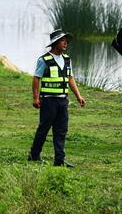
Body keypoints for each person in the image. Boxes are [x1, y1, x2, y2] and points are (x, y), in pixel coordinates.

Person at [28, 29, 86, 167]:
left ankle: (59, 160)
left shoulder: (67, 59)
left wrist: (78, 96)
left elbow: (70, 78)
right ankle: (34, 155)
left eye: (66, 40)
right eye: (62, 40)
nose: (65, 43)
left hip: (62, 101)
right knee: (44, 129)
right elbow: (37, 78)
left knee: (61, 130)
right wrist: (36, 98)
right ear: (55, 43)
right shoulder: (44, 60)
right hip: (48, 101)